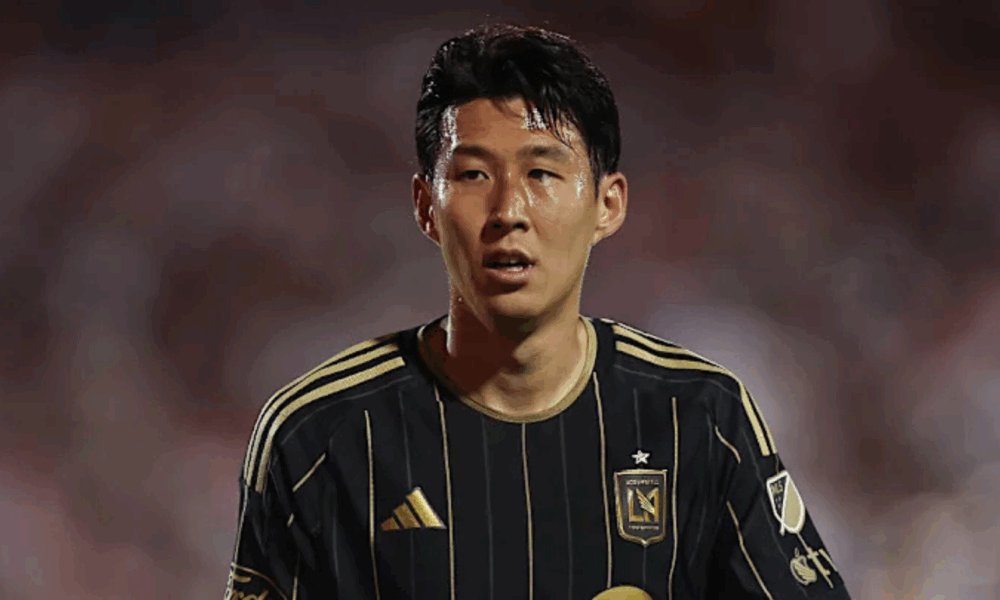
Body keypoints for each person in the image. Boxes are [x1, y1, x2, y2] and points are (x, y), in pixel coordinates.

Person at [224, 23, 851, 600]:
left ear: (608, 204)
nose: (508, 212)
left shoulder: (700, 418)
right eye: (473, 175)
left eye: (542, 173)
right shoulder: (316, 438)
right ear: (425, 206)